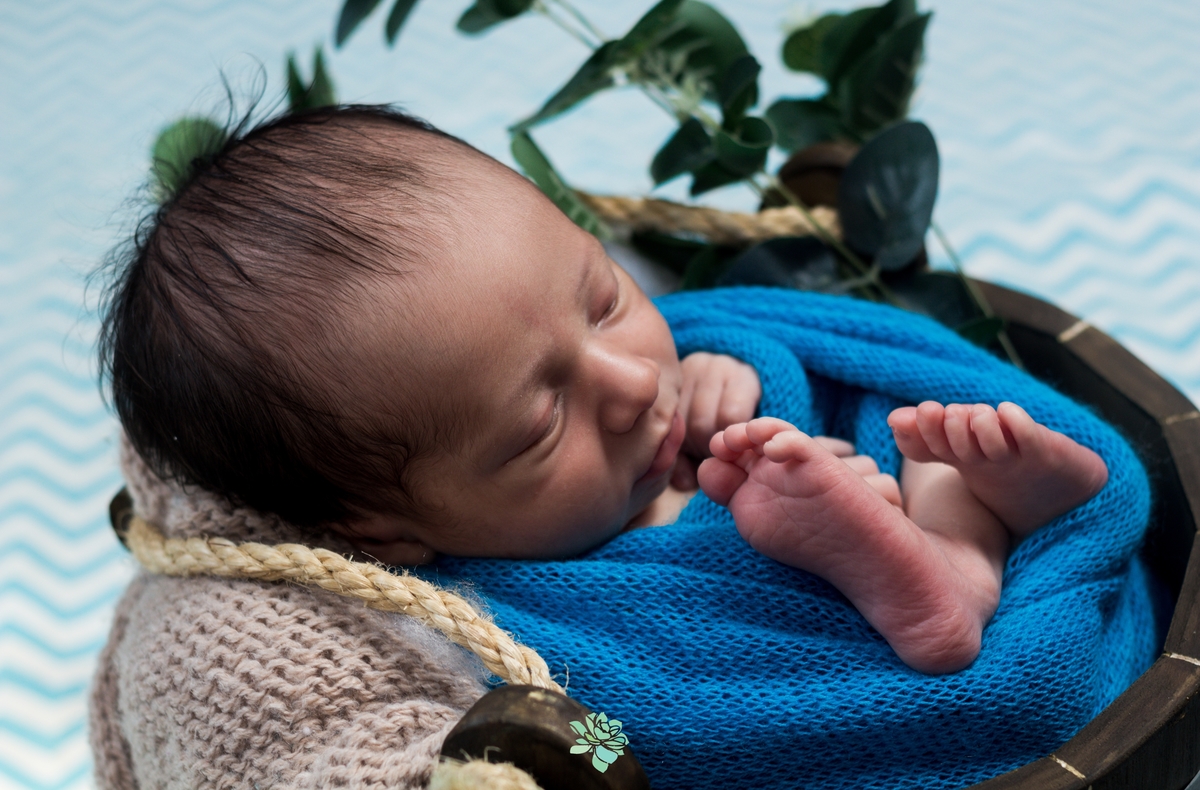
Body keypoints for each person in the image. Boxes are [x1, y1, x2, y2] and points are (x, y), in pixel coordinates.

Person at [93, 105, 1123, 788]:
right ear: (384, 526)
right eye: (539, 425)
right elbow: (601, 742)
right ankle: (935, 569)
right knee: (645, 711)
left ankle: (953, 547)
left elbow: (742, 332)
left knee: (909, 430)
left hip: (844, 497)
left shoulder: (659, 380)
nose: (636, 384)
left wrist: (736, 363)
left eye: (603, 295)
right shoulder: (449, 624)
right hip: (763, 652)